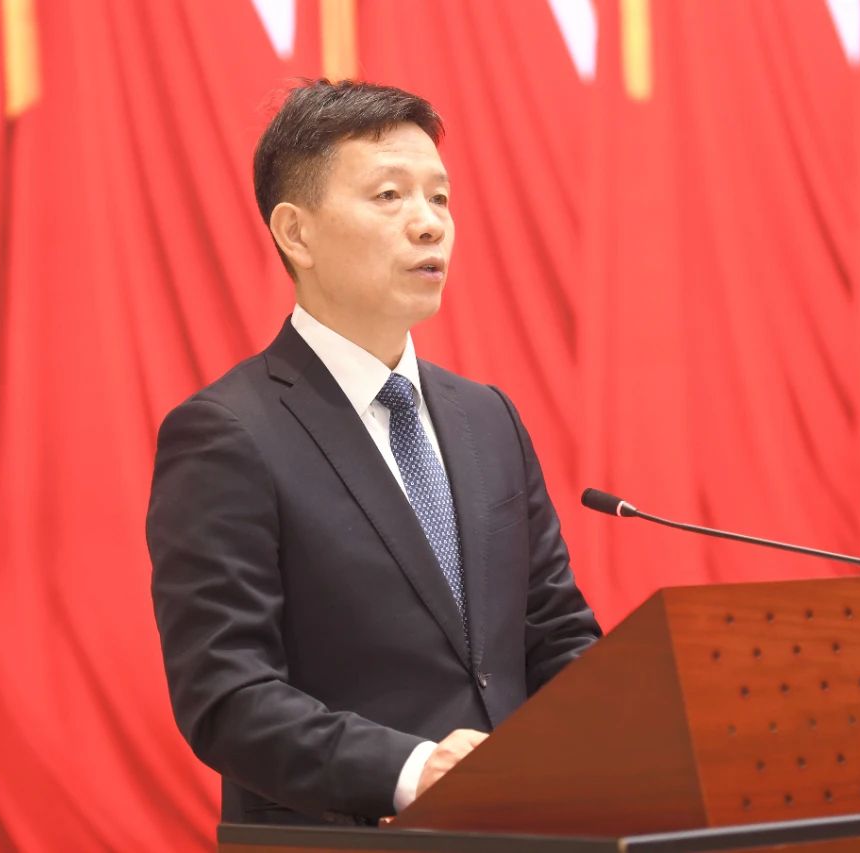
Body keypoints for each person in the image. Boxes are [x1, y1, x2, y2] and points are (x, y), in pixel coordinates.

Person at [146, 79, 601, 827]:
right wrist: (411, 770)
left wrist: (613, 736)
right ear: (296, 233)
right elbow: (226, 694)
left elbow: (556, 633)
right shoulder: (228, 433)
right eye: (390, 196)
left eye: (440, 198)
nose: (429, 224)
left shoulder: (488, 418)